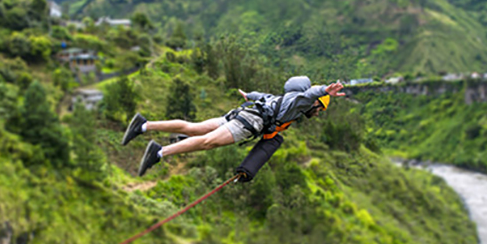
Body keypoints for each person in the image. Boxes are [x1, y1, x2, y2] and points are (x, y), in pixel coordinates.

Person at [121, 76, 345, 176]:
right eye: (320, 108)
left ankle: (143, 125)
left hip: (241, 113)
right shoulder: (297, 104)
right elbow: (309, 94)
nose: (317, 113)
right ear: (316, 104)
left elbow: (259, 95)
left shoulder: (280, 97)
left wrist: (248, 95)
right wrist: (325, 90)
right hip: (249, 122)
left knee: (193, 128)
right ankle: (159, 152)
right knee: (208, 143)